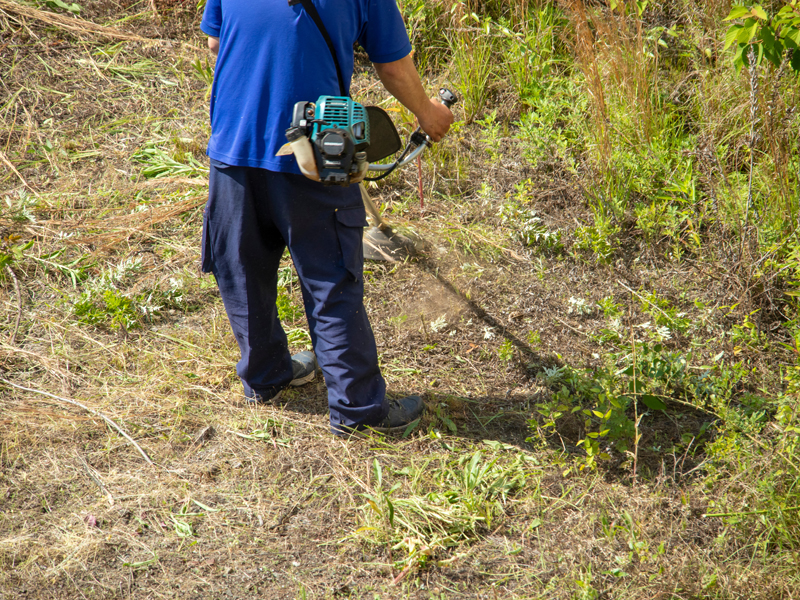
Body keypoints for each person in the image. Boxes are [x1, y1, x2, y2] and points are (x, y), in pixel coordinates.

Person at [199, 0, 453, 436]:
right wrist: (429, 114)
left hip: (233, 144)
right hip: (314, 153)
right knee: (330, 280)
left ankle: (265, 377)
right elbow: (391, 67)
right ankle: (357, 412)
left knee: (242, 268)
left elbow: (216, 41)